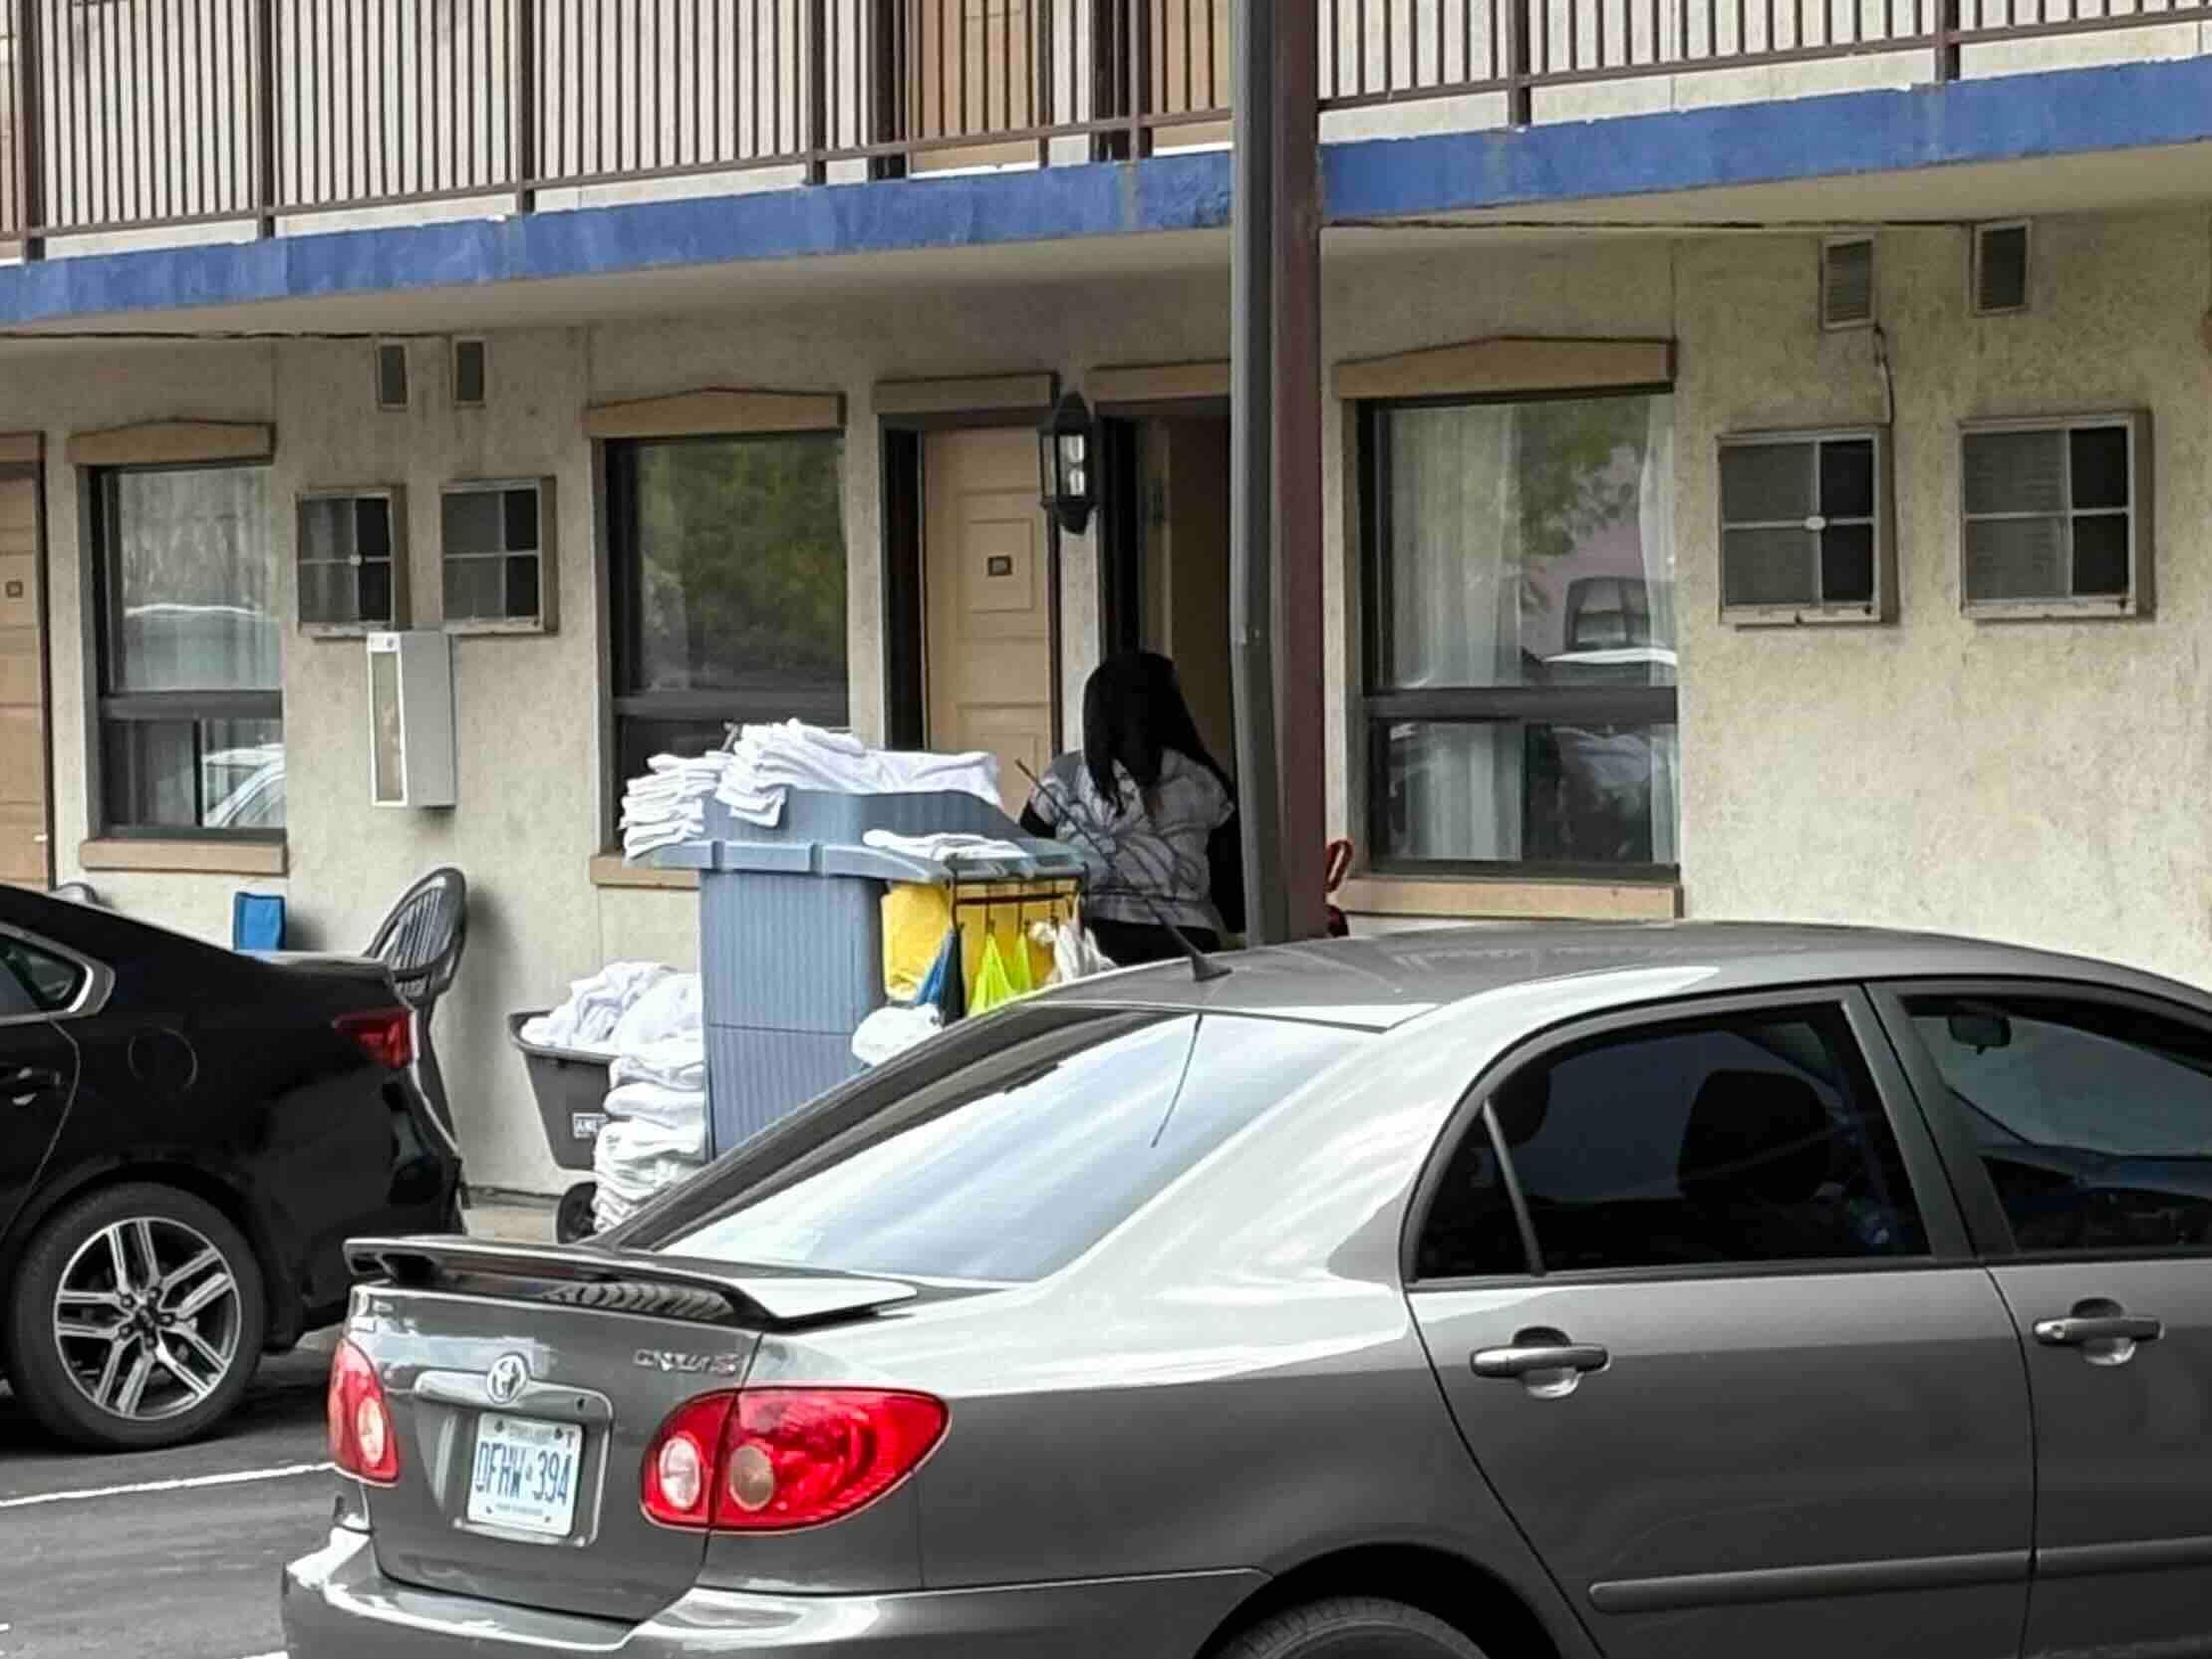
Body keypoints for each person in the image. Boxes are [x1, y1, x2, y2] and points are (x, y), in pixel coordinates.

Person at [1019, 651, 1245, 968]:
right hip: (1188, 944)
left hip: (1092, 942)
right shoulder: (1204, 781)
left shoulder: (1064, 776)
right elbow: (1233, 892)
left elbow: (1026, 860)